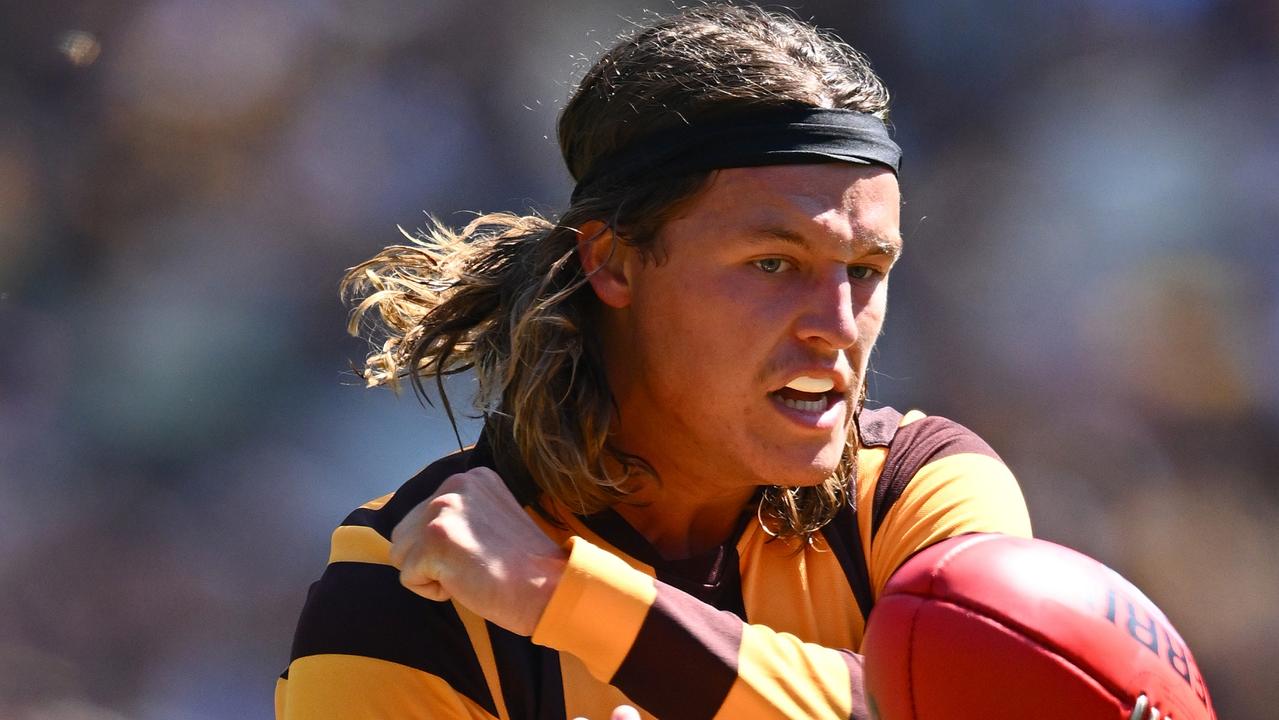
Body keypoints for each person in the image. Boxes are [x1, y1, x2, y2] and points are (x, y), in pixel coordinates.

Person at [276, 5, 1031, 719]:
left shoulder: (919, 491)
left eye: (865, 271)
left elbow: (988, 706)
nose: (837, 325)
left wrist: (556, 592)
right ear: (613, 262)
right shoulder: (408, 592)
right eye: (772, 264)